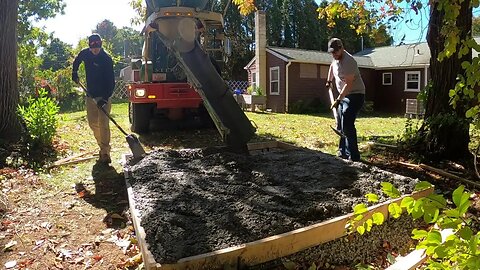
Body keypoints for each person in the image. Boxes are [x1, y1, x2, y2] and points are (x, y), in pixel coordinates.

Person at [72, 34, 115, 164]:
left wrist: (105, 99)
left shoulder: (106, 59)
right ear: (89, 46)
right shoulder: (85, 54)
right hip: (90, 95)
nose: (95, 50)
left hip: (104, 95)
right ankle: (101, 147)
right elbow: (77, 60)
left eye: (97, 47)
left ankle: (105, 152)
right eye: (93, 48)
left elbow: (111, 82)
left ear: (100, 45)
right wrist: (74, 72)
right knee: (93, 123)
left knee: (103, 124)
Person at [326, 38, 365, 161]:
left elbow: (349, 84)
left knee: (347, 120)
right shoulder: (335, 58)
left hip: (355, 94)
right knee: (341, 124)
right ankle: (342, 151)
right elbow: (332, 67)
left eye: (335, 52)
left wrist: (338, 99)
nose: (334, 55)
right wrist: (329, 80)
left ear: (342, 48)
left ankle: (353, 156)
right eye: (332, 52)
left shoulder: (349, 61)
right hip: (343, 95)